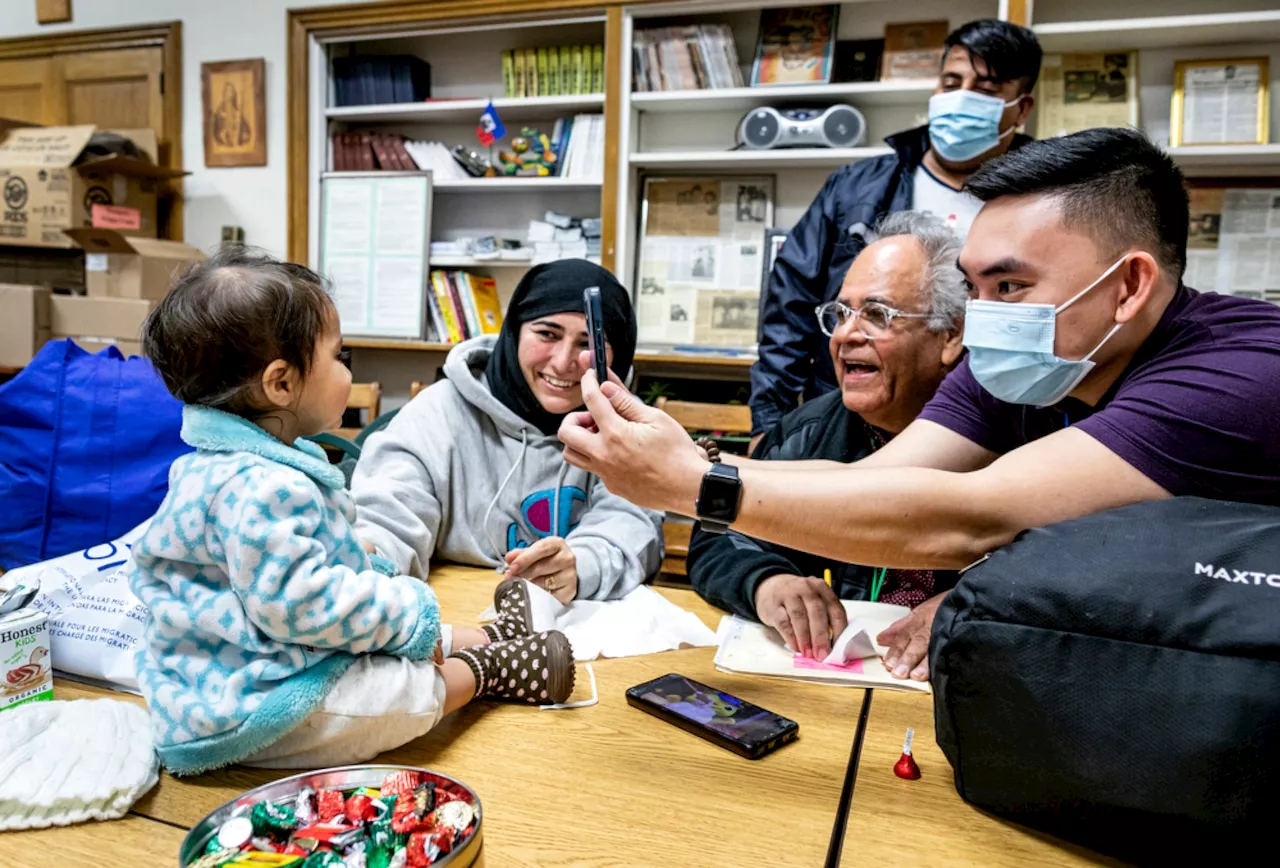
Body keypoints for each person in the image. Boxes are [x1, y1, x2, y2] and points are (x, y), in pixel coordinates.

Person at [557, 127, 1280, 684]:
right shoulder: (1031, 361)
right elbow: (881, 482)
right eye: (973, 288)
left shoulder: (1236, 377)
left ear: (1129, 287)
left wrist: (694, 486)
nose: (981, 318)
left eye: (1010, 288)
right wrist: (696, 459)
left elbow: (972, 517)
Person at [129, 248, 575, 774]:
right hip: (246, 708)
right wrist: (408, 610)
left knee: (379, 628)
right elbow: (304, 607)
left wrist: (359, 563)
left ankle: (486, 635)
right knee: (393, 692)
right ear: (281, 383)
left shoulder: (233, 466)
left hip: (243, 665)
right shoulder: (259, 487)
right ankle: (487, 668)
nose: (346, 368)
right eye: (340, 357)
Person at [750, 19, 1041, 448]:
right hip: (852, 421)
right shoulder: (857, 188)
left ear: (1021, 107)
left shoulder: (1043, 203)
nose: (961, 97)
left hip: (993, 425)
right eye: (951, 82)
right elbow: (789, 304)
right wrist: (768, 422)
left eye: (985, 88)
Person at [687, 212, 965, 659]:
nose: (845, 335)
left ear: (950, 335)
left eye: (877, 314)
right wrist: (766, 582)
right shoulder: (808, 431)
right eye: (840, 314)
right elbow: (717, 537)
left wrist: (972, 605)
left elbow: (1054, 563)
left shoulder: (1013, 434)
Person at [352, 259, 663, 604]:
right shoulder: (437, 412)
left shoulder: (625, 427)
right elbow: (390, 513)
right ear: (514, 331)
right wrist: (373, 556)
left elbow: (633, 524)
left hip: (576, 620)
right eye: (547, 334)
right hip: (453, 616)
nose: (562, 362)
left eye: (587, 344)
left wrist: (580, 567)